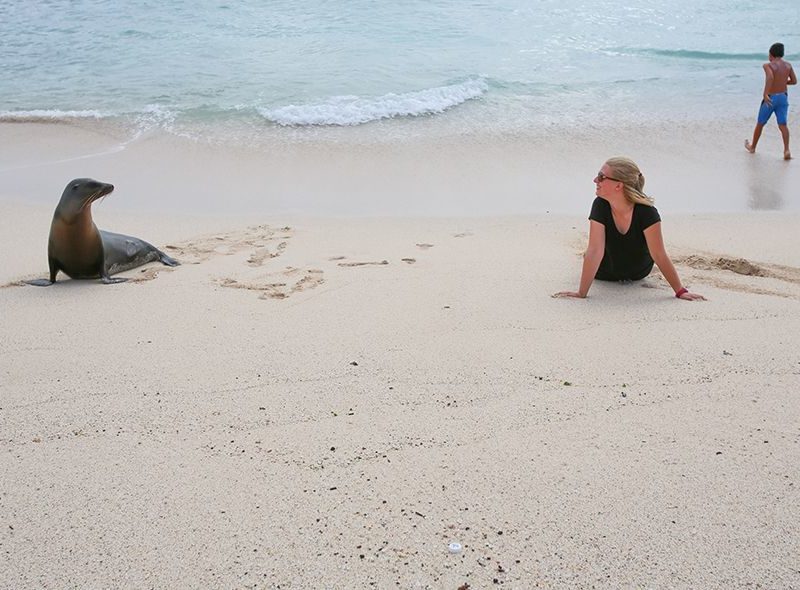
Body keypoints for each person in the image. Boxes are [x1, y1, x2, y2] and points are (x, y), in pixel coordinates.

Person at [553, 157, 705, 301]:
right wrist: (581, 293)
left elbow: (659, 254)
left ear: (619, 185)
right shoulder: (600, 205)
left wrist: (680, 291)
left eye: (601, 177)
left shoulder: (647, 212)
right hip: (604, 273)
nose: (595, 180)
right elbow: (595, 251)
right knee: (589, 252)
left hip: (638, 273)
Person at [745, 42, 796, 160]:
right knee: (783, 125)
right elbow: (794, 81)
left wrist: (765, 93)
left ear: (770, 54)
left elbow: (770, 77)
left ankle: (752, 147)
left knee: (760, 123)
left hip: (771, 98)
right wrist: (783, 82)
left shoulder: (768, 65)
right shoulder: (788, 65)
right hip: (783, 97)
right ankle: (786, 150)